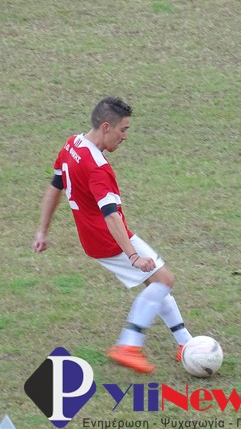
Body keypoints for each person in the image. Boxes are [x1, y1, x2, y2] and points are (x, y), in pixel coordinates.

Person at [33, 97, 192, 374]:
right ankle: (128, 344)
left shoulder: (72, 145)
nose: (125, 136)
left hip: (92, 237)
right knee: (164, 279)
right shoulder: (98, 167)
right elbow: (111, 215)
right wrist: (133, 256)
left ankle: (185, 343)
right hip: (108, 237)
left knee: (155, 282)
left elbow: (54, 188)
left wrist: (42, 230)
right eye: (123, 129)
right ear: (106, 127)